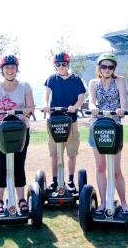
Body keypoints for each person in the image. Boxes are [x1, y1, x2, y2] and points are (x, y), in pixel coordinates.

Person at [0, 55, 35, 214]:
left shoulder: (25, 86)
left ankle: (21, 199)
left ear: (16, 69)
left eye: (12, 67)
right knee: (1, 164)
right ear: (2, 69)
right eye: (7, 67)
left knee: (19, 163)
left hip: (20, 130)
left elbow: (31, 106)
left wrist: (27, 110)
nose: (10, 70)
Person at [88, 52, 128, 214]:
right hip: (97, 126)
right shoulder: (93, 82)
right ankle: (104, 202)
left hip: (114, 126)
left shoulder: (119, 80)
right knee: (100, 167)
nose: (106, 69)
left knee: (116, 169)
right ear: (99, 67)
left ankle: (124, 202)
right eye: (103, 66)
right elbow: (91, 100)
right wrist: (92, 107)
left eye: (110, 67)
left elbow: (124, 99)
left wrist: (122, 109)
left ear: (114, 68)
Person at [43, 52, 86, 193]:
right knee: (54, 153)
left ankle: (71, 180)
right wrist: (45, 106)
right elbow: (47, 95)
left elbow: (81, 98)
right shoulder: (52, 79)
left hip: (71, 120)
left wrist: (75, 107)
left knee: (71, 152)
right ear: (55, 66)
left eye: (64, 64)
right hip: (55, 120)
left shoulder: (76, 80)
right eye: (58, 64)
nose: (61, 66)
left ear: (68, 64)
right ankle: (55, 180)